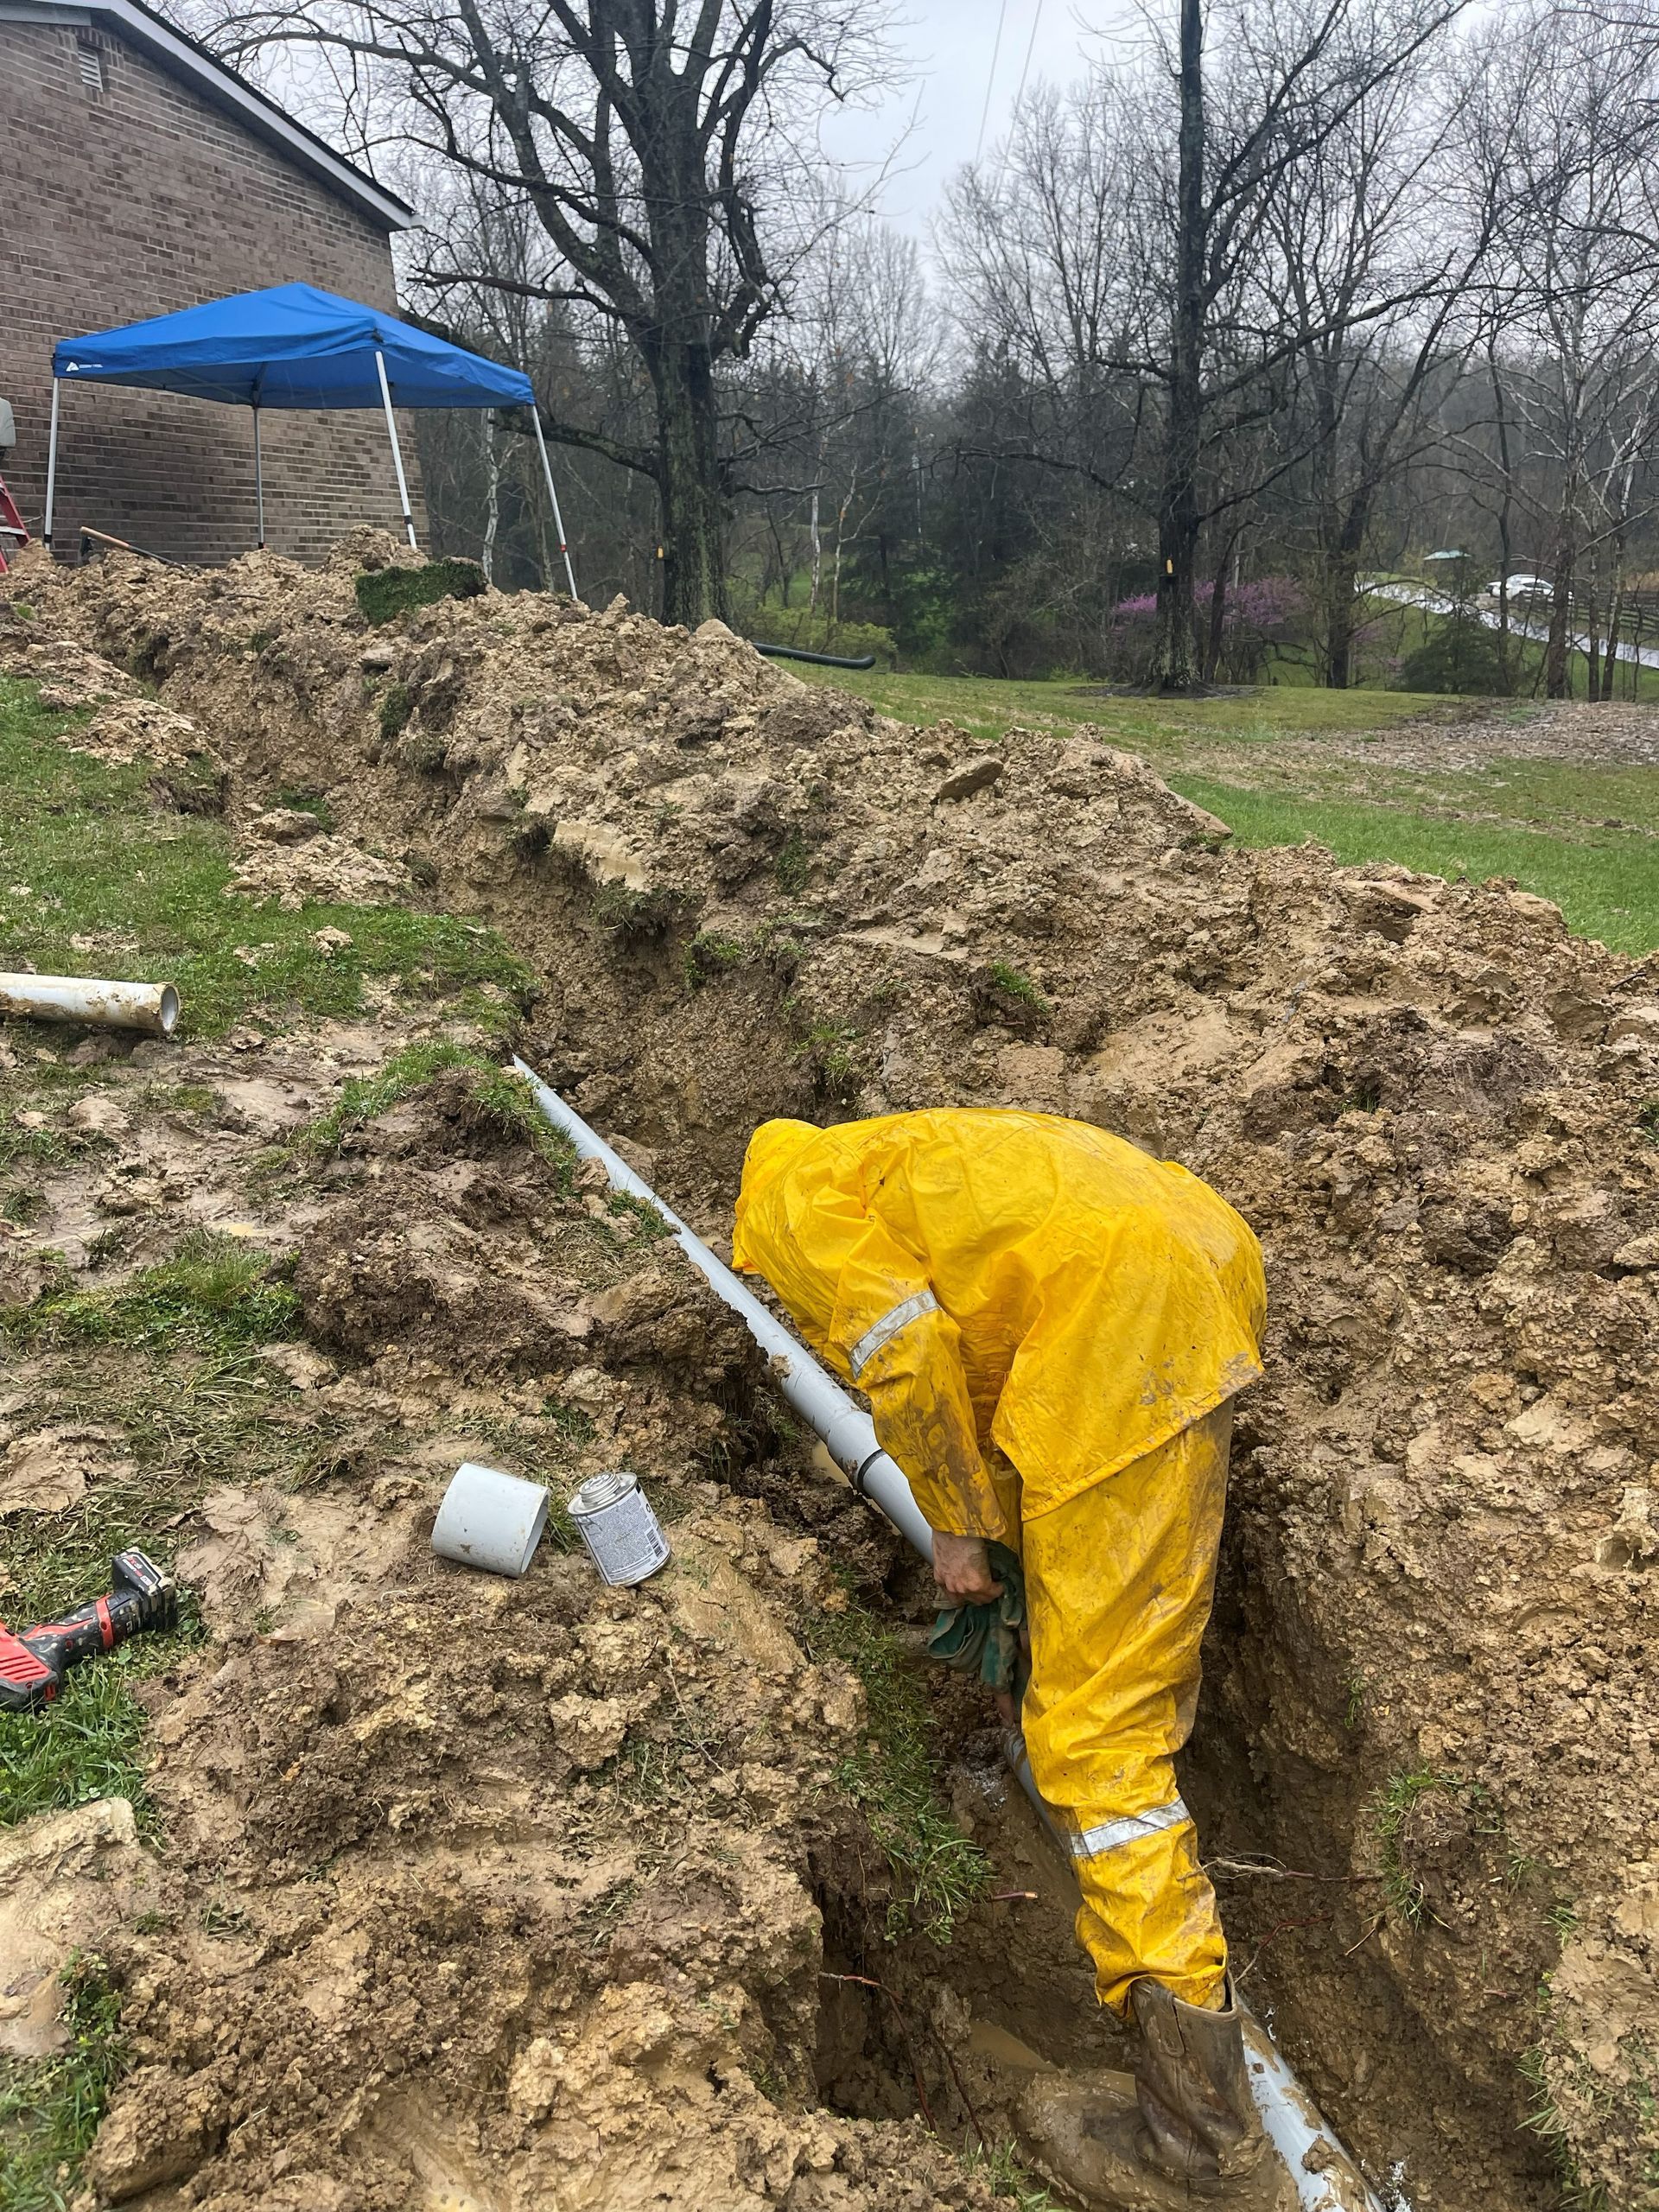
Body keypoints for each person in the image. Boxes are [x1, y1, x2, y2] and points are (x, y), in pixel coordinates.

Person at [732, 1107, 1284, 2208]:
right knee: (1104, 1626)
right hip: (1196, 1270)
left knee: (1098, 1741)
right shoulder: (902, 1161)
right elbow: (988, 1321)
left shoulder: (781, 1205)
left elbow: (911, 1345)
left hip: (1119, 1331)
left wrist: (952, 1520)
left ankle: (1204, 2145)